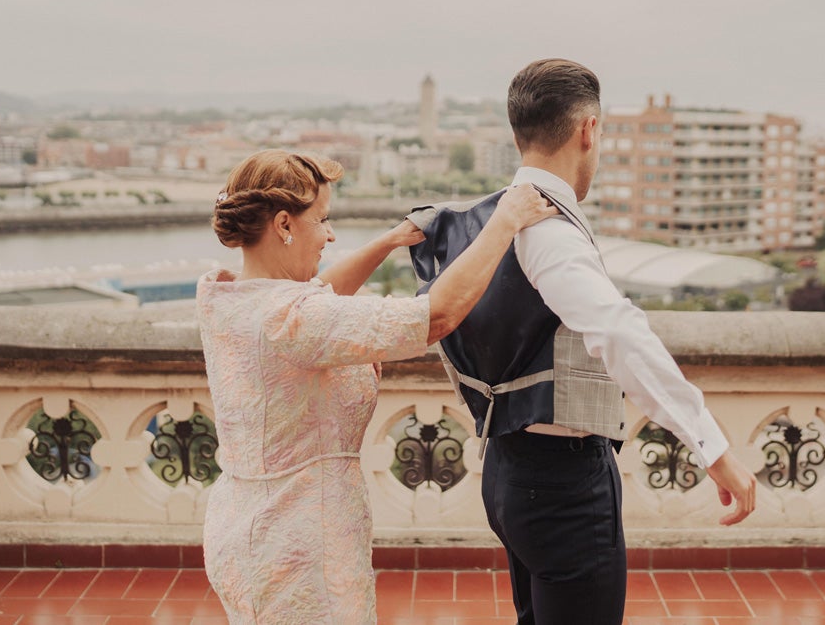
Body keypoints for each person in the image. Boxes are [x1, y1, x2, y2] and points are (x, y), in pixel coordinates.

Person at [407, 59, 757, 625]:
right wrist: (712, 448)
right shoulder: (548, 231)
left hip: (507, 466)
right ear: (588, 129)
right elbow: (618, 332)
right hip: (562, 485)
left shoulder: (492, 215)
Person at [196, 149, 557, 624]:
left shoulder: (228, 294)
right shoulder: (292, 320)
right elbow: (437, 315)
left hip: (246, 526)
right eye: (322, 220)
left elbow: (316, 296)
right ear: (284, 225)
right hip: (297, 545)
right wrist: (504, 223)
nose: (330, 234)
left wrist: (389, 242)